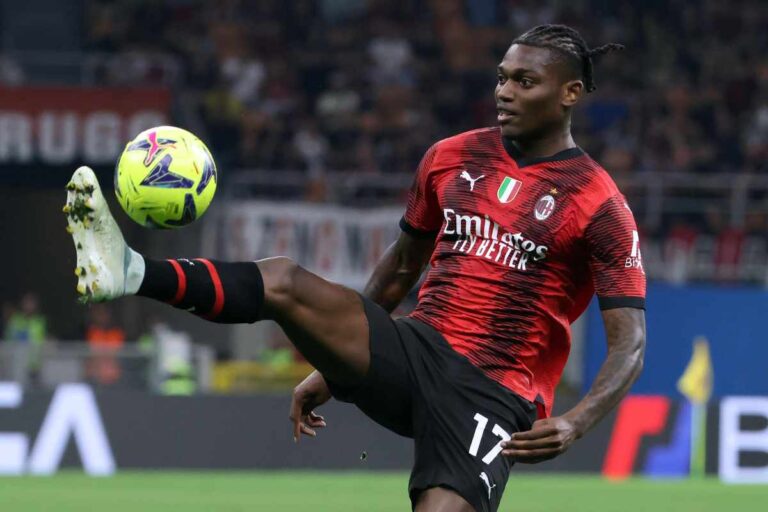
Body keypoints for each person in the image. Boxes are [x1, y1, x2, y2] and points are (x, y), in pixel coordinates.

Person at [64, 24, 646, 512]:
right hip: (415, 349)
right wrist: (333, 363)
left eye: (524, 81)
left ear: (570, 93)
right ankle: (131, 270)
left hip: (491, 392)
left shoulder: (599, 203)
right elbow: (401, 268)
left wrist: (576, 421)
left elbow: (630, 344)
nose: (505, 92)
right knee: (284, 280)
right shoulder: (451, 156)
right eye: (501, 77)